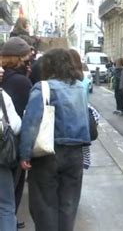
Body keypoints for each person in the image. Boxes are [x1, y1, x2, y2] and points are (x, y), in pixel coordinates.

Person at [19, 48, 91, 231]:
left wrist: (25, 153)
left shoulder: (44, 87)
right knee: (68, 205)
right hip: (75, 154)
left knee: (44, 205)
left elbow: (32, 122)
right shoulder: (80, 88)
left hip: (48, 152)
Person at [0, 37, 33, 229]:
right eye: (27, 58)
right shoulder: (21, 82)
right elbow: (20, 122)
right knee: (8, 200)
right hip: (9, 144)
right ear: (19, 59)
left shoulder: (8, 81)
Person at [0, 64, 22, 231]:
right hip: (1, 159)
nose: (2, 70)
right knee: (6, 206)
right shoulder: (2, 96)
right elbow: (15, 125)